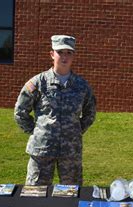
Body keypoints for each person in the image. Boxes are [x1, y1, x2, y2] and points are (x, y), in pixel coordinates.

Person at [14, 35, 96, 186]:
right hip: (42, 150)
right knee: (36, 195)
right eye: (60, 52)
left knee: (72, 195)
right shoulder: (38, 83)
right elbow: (20, 112)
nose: (64, 57)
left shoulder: (82, 86)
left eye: (69, 52)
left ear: (74, 56)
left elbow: (90, 113)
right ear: (52, 54)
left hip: (70, 150)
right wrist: (37, 131)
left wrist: (75, 130)